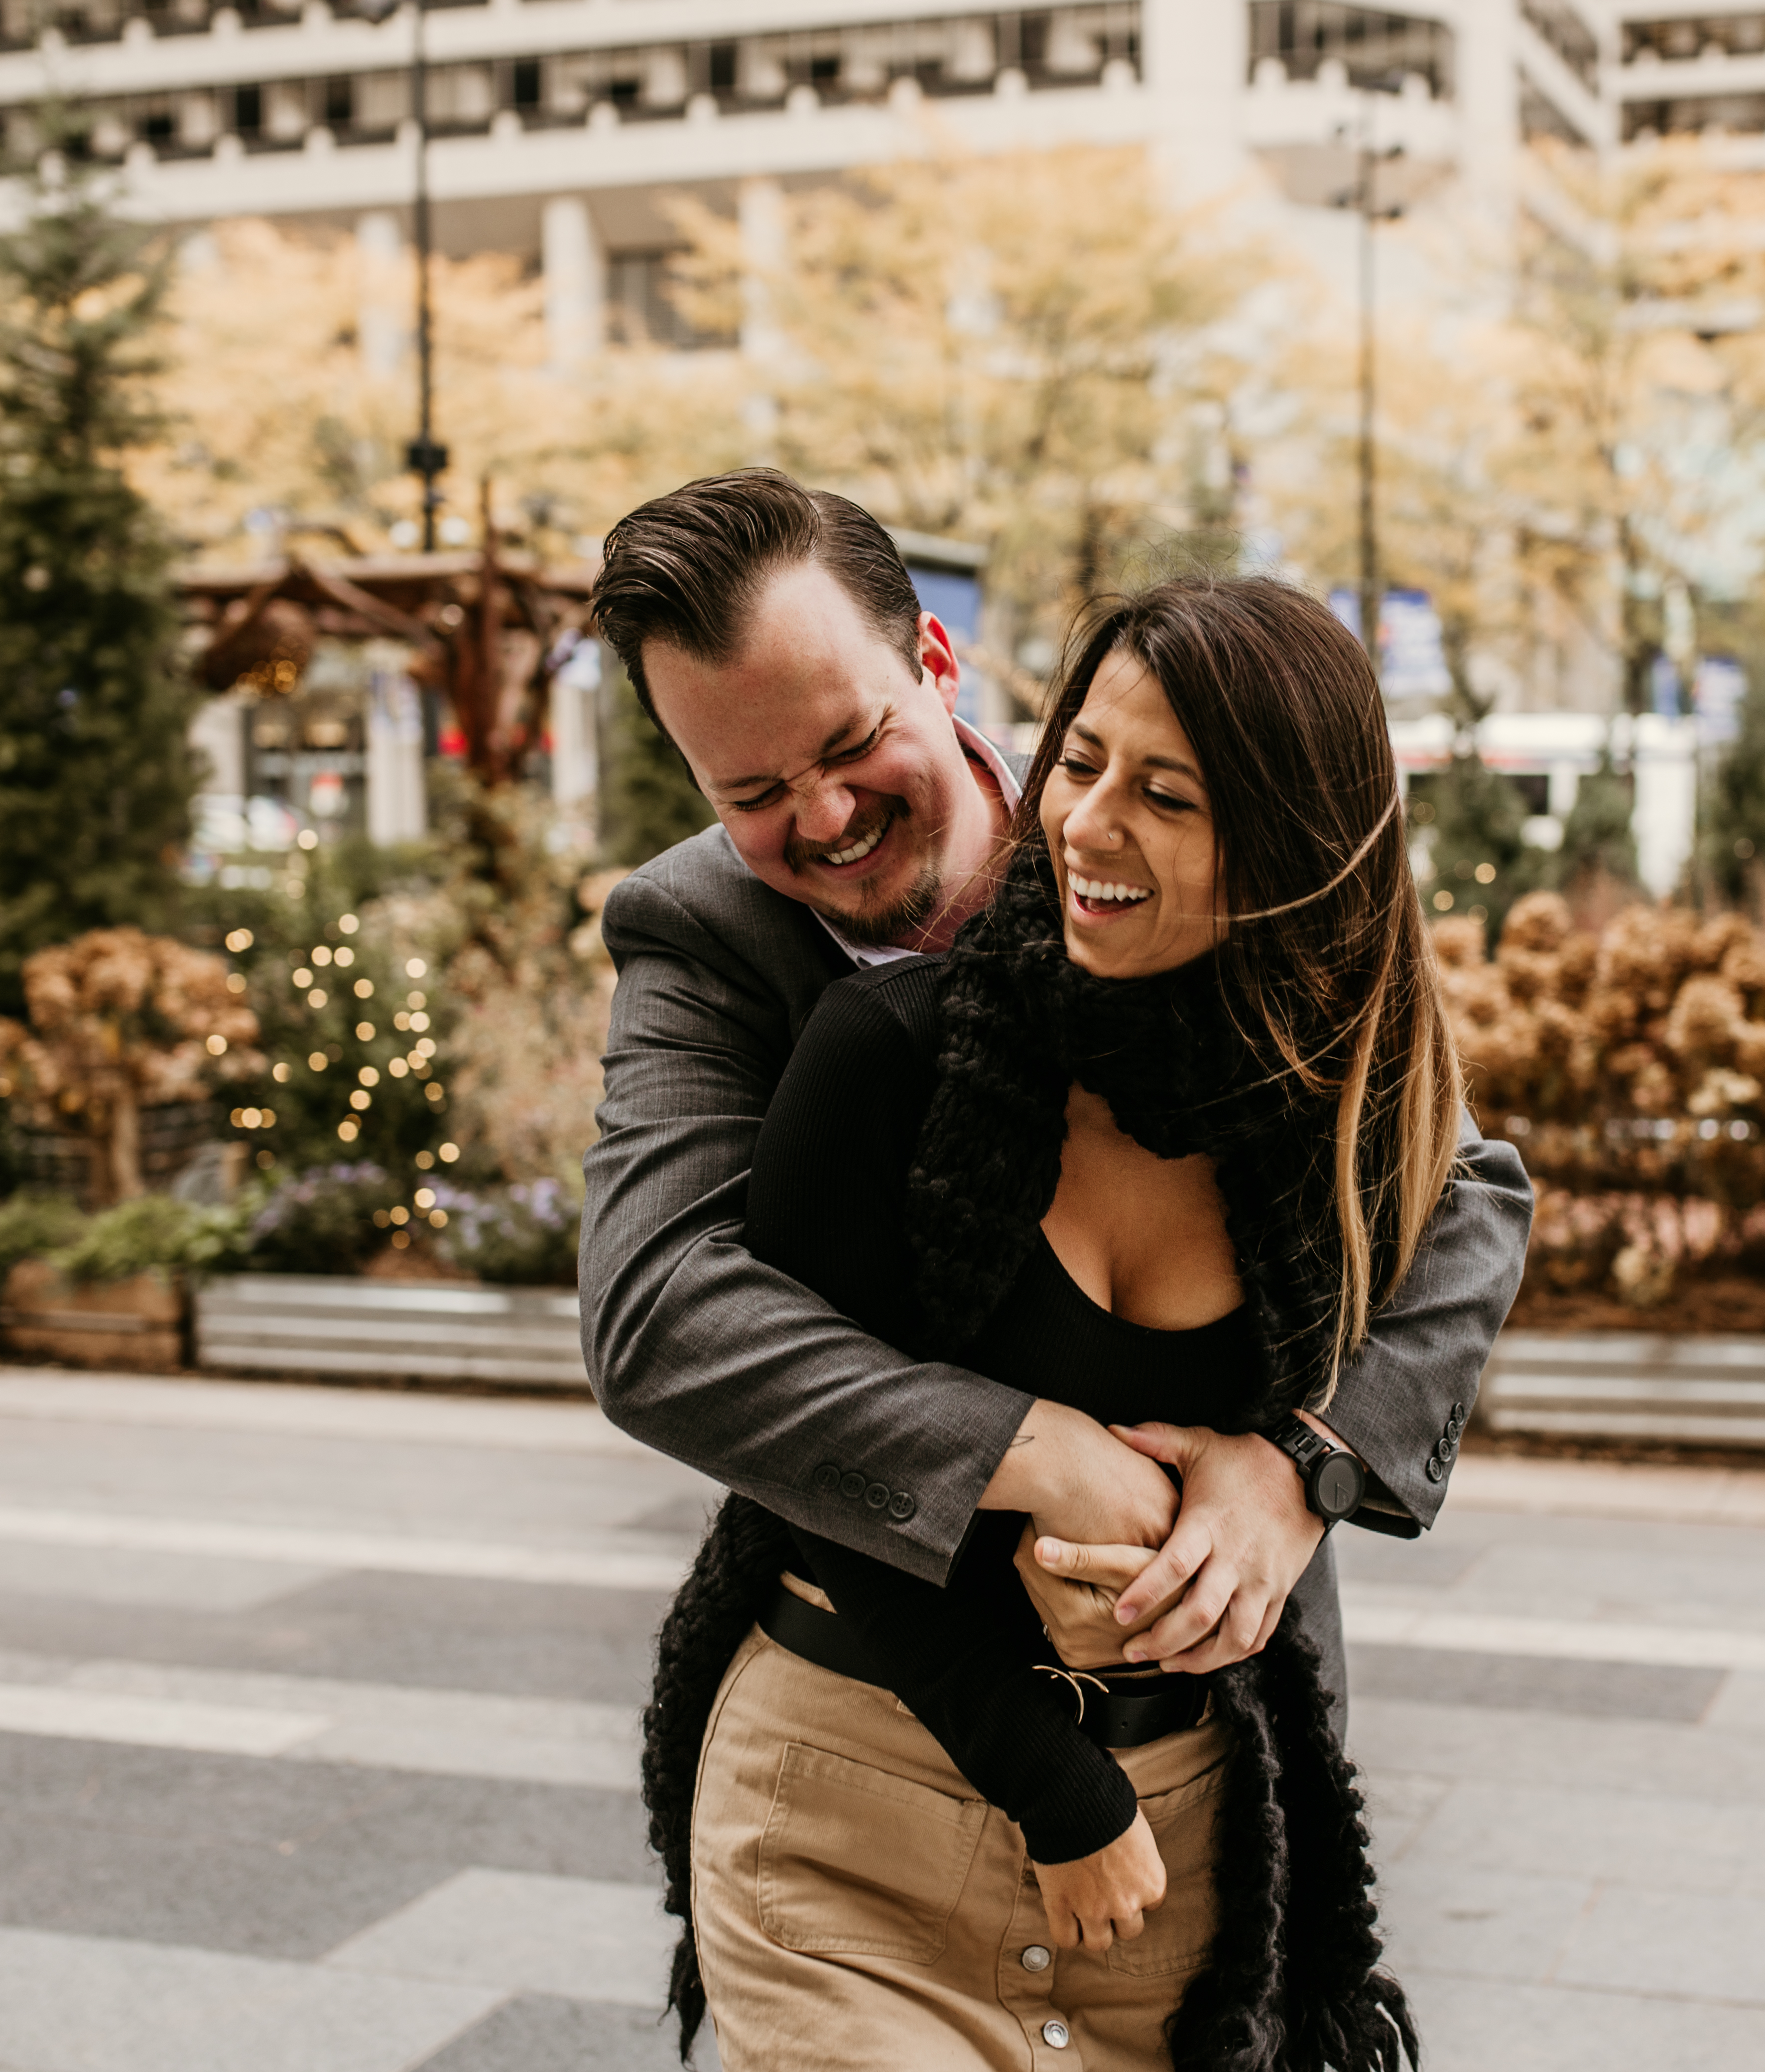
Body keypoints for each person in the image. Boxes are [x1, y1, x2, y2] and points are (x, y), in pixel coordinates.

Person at [637, 571, 1474, 2069]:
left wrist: (1299, 1463)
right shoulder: (875, 1044)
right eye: (1081, 766)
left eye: (1167, 792)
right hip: (863, 1807)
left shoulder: (1338, 1099)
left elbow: (1474, 1205)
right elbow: (687, 1344)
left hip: (1192, 1840)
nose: (1086, 823)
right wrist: (1042, 1477)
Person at [582, 472, 1529, 1686]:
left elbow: (1461, 1188)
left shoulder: (1133, 810)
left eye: (851, 742)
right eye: (750, 795)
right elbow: (656, 1310)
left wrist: (1309, 1463)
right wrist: (1033, 1454)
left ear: (935, 658)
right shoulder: (698, 927)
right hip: (884, 1687)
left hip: (1215, 1679)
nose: (823, 817)